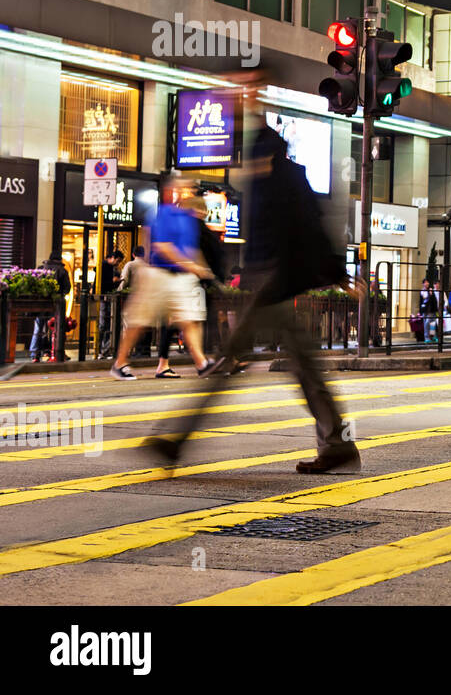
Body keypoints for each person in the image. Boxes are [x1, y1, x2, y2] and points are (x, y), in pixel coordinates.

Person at [146, 125, 359, 474]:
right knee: (303, 368)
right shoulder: (265, 178)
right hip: (269, 284)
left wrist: (336, 274)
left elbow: (312, 227)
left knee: (229, 361)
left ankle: (175, 440)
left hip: (277, 283)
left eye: (255, 160)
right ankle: (338, 445)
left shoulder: (289, 179)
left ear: (270, 156)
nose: (249, 166)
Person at [110, 176, 216, 382]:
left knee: (189, 320)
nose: (188, 191)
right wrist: (193, 266)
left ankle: (201, 363)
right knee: (139, 322)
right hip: (159, 274)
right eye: (183, 187)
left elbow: (190, 249)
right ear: (171, 191)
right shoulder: (164, 214)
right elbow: (163, 246)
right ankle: (120, 362)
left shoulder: (188, 220)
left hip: (181, 277)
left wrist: (201, 268)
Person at [96, 250, 123, 358]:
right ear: (112, 257)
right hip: (104, 299)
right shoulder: (103, 267)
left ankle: (104, 350)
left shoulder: (111, 268)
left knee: (106, 325)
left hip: (107, 299)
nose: (118, 263)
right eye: (118, 260)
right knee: (104, 325)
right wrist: (114, 282)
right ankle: (100, 350)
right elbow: (104, 284)